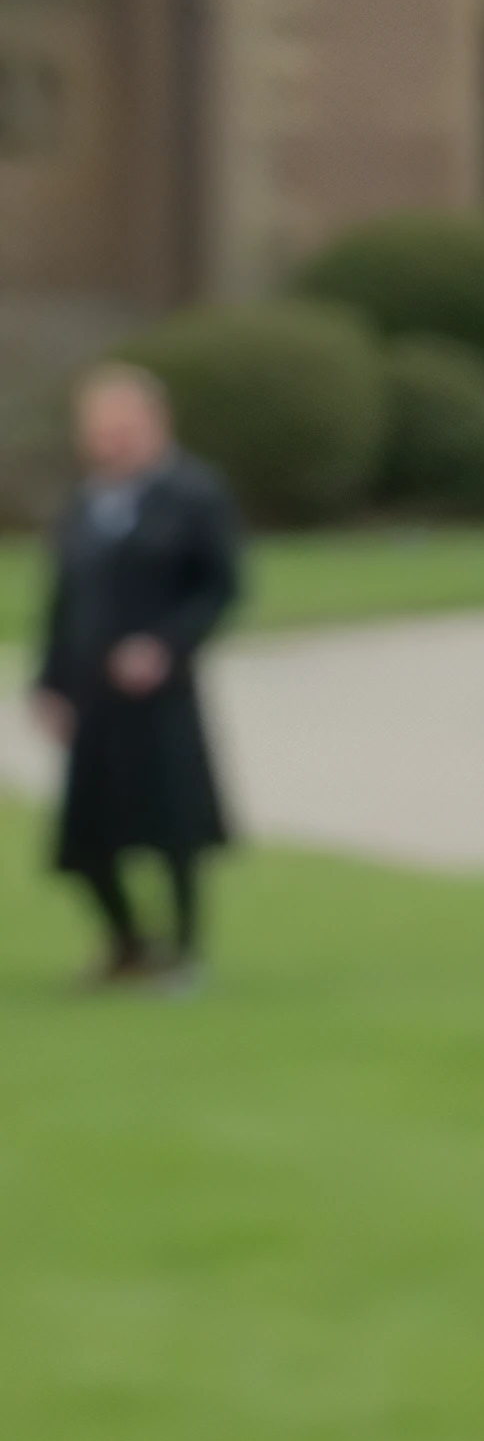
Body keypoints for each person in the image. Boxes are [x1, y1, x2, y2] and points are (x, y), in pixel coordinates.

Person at [30, 359, 240, 987]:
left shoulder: (193, 494)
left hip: (159, 689)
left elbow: (221, 587)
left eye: (124, 424)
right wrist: (49, 682)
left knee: (171, 824)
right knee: (88, 835)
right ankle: (126, 944)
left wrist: (165, 645)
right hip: (93, 691)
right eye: (100, 426)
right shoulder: (87, 504)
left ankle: (186, 949)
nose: (112, 437)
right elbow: (64, 600)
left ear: (155, 423)